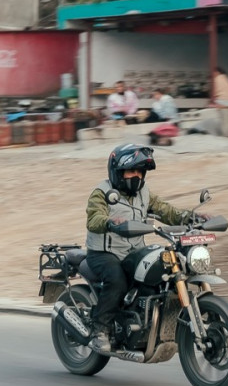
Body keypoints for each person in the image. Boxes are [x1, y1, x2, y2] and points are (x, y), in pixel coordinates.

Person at [84, 143, 205, 354]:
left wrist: (191, 217)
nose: (137, 176)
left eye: (140, 172)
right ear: (118, 172)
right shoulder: (101, 192)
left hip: (134, 250)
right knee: (117, 280)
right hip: (104, 253)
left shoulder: (144, 193)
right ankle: (99, 330)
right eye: (131, 171)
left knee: (158, 274)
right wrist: (110, 222)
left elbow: (165, 210)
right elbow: (94, 218)